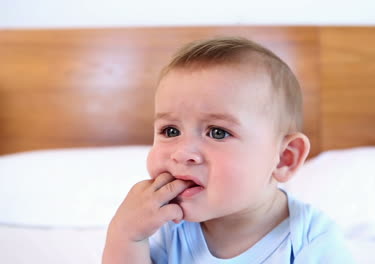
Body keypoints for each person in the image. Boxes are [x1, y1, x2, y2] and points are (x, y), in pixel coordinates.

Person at [102, 36, 355, 263]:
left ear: (283, 159)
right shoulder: (162, 226)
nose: (182, 153)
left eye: (218, 132)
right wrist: (125, 237)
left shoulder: (312, 242)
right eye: (171, 131)